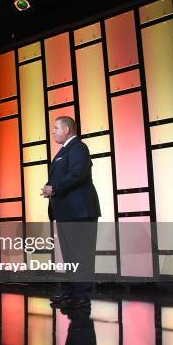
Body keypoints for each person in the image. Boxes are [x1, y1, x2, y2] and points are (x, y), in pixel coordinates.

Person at [41, 116, 100, 309]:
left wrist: (54, 188)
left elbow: (77, 174)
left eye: (56, 128)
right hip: (66, 213)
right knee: (70, 257)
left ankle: (81, 297)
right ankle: (71, 294)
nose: (53, 131)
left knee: (81, 256)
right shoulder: (64, 151)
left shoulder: (79, 148)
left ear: (67, 129)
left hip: (80, 212)